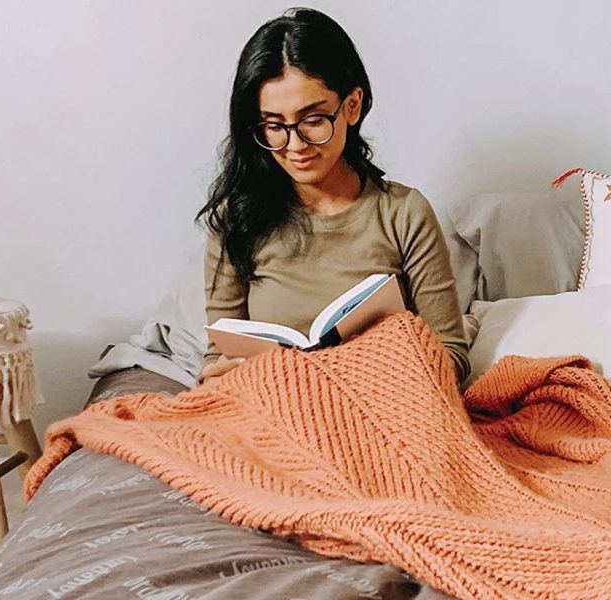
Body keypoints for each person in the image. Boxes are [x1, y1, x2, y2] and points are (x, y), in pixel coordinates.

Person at [197, 8, 469, 383]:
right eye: (274, 126)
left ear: (352, 106)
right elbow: (219, 357)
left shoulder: (403, 213)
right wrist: (219, 377)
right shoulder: (236, 219)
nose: (295, 145)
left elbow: (451, 355)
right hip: (274, 409)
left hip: (386, 404)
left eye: (312, 120)